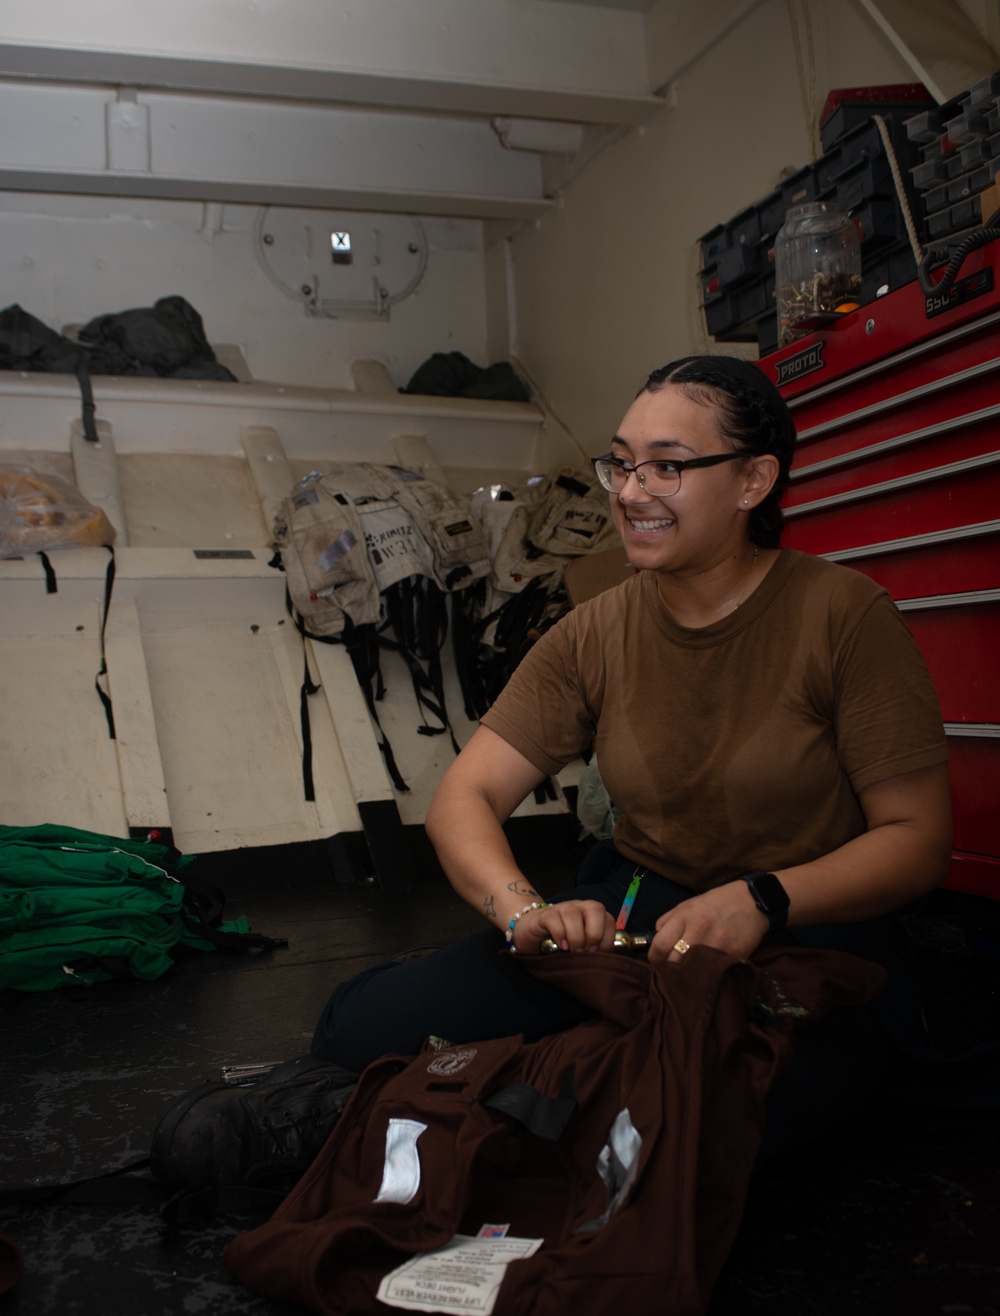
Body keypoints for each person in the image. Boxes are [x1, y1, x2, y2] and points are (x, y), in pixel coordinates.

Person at [308, 354, 952, 1155]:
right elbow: (462, 800)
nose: (629, 490)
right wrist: (525, 913)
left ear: (753, 482)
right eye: (622, 462)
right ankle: (574, 1086)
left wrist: (761, 900)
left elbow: (917, 840)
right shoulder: (593, 632)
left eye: (668, 467)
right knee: (357, 1025)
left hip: (805, 924)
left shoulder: (844, 616)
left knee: (721, 1112)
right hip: (644, 912)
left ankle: (562, 1094)